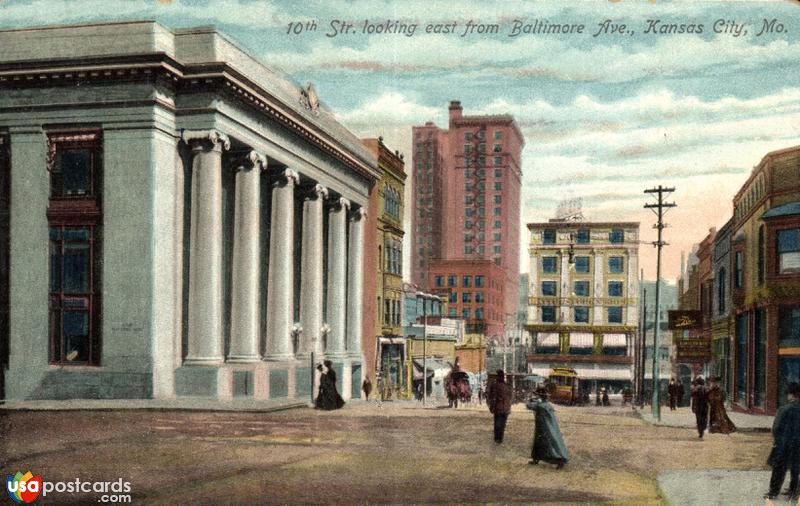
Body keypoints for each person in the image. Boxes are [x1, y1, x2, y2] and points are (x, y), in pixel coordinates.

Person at [766, 382, 800, 500]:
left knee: (779, 468)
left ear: (790, 395)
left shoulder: (783, 409)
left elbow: (776, 428)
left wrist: (776, 440)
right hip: (798, 445)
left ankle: (773, 492)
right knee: (796, 468)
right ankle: (794, 491)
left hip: (784, 444)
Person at [527, 388, 569, 469]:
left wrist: (530, 399)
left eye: (537, 395)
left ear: (539, 396)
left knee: (547, 444)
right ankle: (536, 458)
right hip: (546, 426)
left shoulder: (540, 405)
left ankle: (559, 460)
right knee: (540, 443)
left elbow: (529, 406)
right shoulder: (547, 404)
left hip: (544, 427)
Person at [486, 369, 513, 444]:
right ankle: (500, 439)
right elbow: (510, 397)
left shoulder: (495, 385)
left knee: (497, 424)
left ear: (498, 376)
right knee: (502, 425)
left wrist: (491, 407)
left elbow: (492, 397)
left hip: (498, 408)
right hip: (506, 409)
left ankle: (497, 438)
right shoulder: (507, 385)